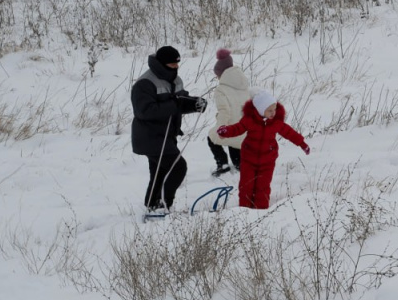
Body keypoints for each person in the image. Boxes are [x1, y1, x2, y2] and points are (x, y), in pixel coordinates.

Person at [131, 45, 207, 212]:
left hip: (167, 135)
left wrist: (195, 104)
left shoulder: (175, 79)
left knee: (160, 171)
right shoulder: (145, 83)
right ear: (161, 63)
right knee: (178, 167)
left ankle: (152, 205)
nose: (176, 67)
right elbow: (144, 111)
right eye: (172, 64)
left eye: (177, 64)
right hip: (150, 136)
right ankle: (165, 204)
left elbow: (180, 102)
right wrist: (174, 104)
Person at [216, 89, 310, 209]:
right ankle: (244, 210)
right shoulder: (249, 120)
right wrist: (226, 131)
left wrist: (302, 144)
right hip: (248, 159)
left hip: (267, 160)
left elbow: (289, 133)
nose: (273, 113)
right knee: (246, 186)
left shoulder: (276, 122)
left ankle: (261, 211)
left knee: (263, 186)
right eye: (269, 110)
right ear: (260, 110)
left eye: (274, 109)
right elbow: (237, 128)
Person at [207, 48, 250, 177]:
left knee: (211, 137)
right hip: (246, 130)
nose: (217, 78)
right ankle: (240, 164)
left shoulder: (221, 89)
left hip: (233, 132)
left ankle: (222, 164)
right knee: (236, 151)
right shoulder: (243, 85)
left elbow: (224, 112)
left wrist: (220, 128)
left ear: (221, 74)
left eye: (217, 75)